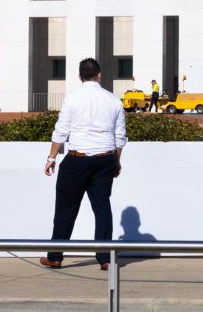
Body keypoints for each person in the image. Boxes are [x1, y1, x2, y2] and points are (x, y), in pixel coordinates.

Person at [40, 57, 127, 271]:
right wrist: (116, 161)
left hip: (76, 160)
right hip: (105, 158)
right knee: (102, 208)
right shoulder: (114, 100)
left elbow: (61, 130)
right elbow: (120, 136)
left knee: (66, 209)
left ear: (79, 76)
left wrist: (51, 158)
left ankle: (55, 256)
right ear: (99, 75)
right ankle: (105, 258)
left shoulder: (72, 98)